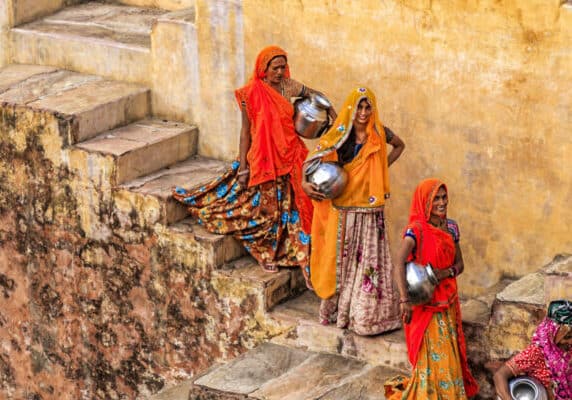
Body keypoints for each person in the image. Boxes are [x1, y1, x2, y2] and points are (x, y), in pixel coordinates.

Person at [172, 45, 335, 288]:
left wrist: (331, 110)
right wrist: (244, 167)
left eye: (283, 66)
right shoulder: (250, 93)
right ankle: (266, 253)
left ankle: (294, 253)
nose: (280, 71)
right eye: (275, 67)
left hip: (289, 154)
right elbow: (245, 132)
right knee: (265, 212)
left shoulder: (289, 86)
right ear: (264, 68)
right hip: (264, 156)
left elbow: (316, 95)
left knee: (292, 210)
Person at [302, 86, 405, 335]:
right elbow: (312, 160)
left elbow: (400, 145)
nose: (363, 111)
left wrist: (380, 170)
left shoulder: (379, 133)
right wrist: (306, 184)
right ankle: (340, 312)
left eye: (368, 106)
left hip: (370, 210)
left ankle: (367, 317)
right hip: (344, 208)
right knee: (342, 263)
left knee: (370, 262)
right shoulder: (341, 134)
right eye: (359, 106)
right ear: (351, 108)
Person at [385, 178, 479, 399]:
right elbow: (399, 261)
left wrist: (444, 273)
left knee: (450, 352)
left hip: (447, 300)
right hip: (425, 304)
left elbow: (460, 264)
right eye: (436, 198)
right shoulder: (416, 230)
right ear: (424, 201)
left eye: (444, 197)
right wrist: (404, 300)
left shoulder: (451, 227)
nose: (442, 202)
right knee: (433, 354)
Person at [493, 299, 572, 400]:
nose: (570, 341)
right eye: (568, 336)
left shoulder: (568, 348)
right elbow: (500, 375)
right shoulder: (537, 352)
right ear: (553, 330)